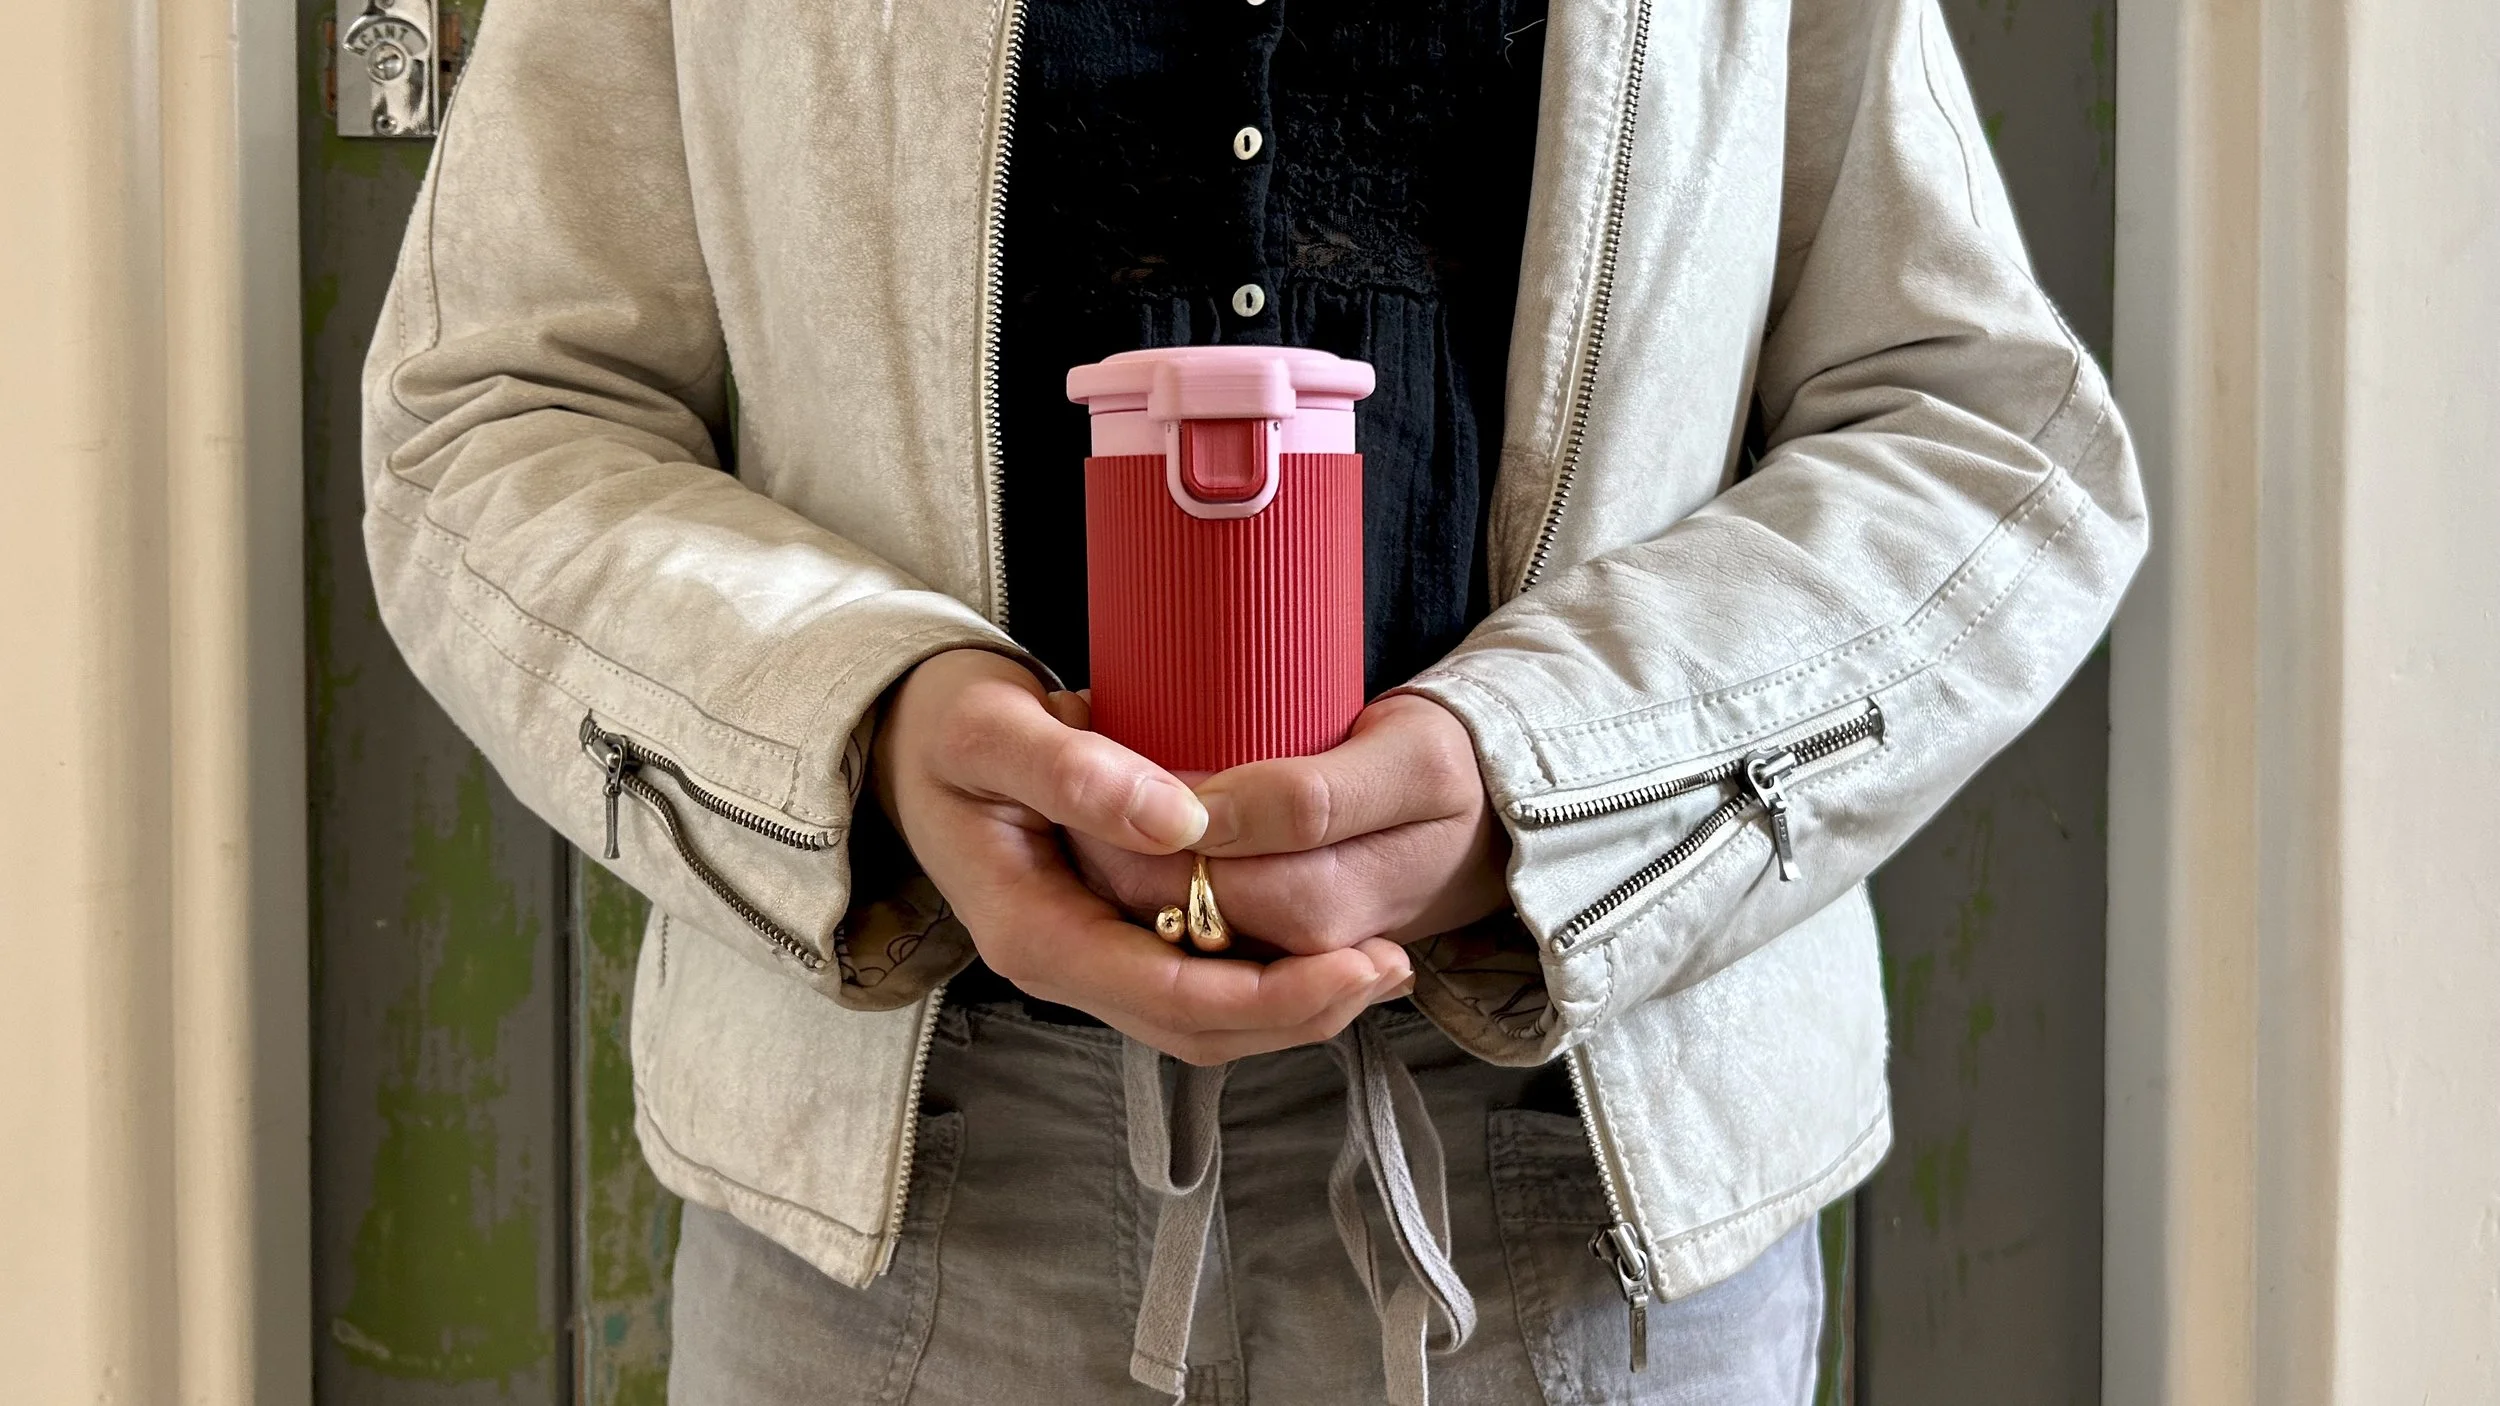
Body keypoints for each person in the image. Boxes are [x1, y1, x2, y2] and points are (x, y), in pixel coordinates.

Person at [359, 0, 2145, 1397]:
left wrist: (1543, 784)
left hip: (1572, 1218)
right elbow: (501, 413)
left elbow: (1978, 438)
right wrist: (875, 724)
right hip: (906, 1226)